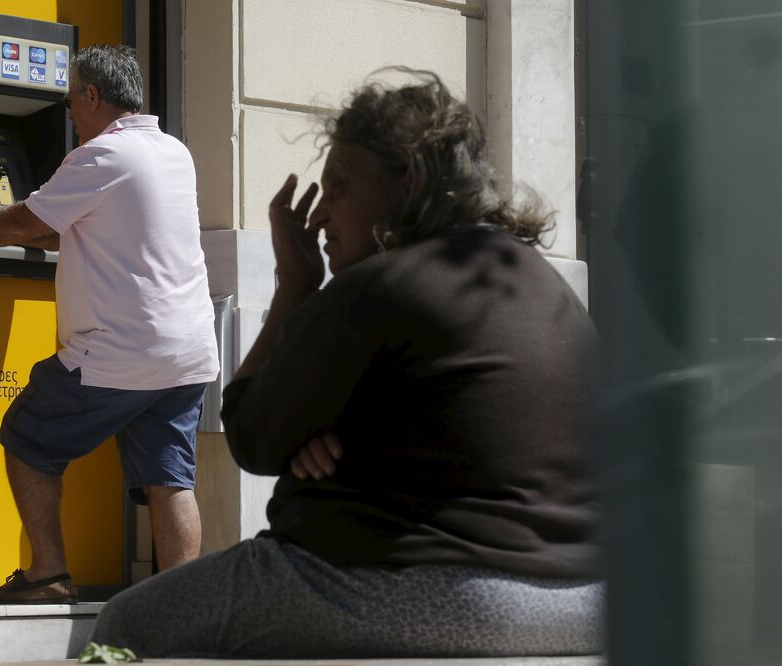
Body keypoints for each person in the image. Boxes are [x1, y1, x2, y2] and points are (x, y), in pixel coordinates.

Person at [88, 70, 601, 657]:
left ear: (407, 182)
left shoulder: (382, 284)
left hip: (437, 590)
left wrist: (295, 285)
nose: (323, 214)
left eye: (339, 187)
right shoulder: (538, 281)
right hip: (586, 596)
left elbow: (255, 435)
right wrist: (327, 437)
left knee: (129, 623)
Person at [0, 45, 219, 604]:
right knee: (170, 479)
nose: (68, 113)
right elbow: (70, 228)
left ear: (93, 95)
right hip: (186, 353)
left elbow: (24, 219)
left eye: (70, 100)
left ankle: (47, 575)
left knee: (26, 436)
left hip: (121, 351)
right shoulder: (171, 152)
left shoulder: (102, 156)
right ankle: (179, 607)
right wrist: (26, 231)